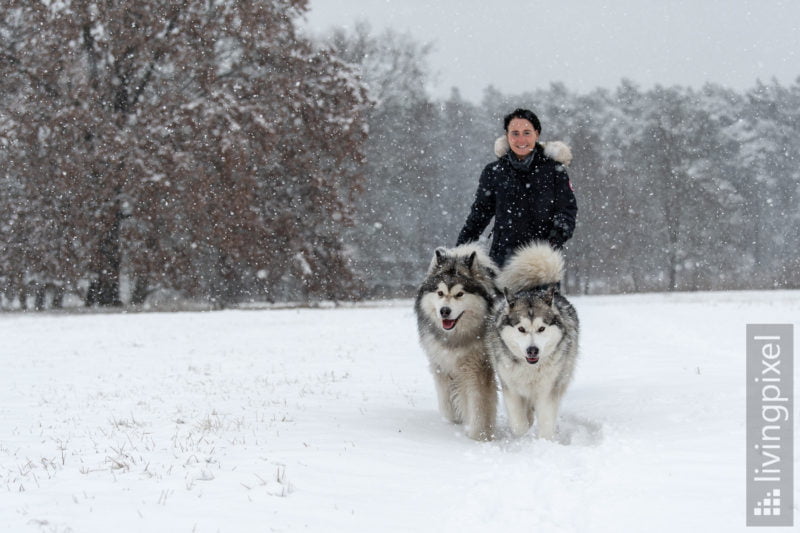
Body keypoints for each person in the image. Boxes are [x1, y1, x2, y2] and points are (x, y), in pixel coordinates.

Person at [456, 108, 577, 267]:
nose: (521, 140)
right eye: (515, 133)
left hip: (542, 264)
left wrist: (553, 241)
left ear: (537, 134)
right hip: (502, 260)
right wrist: (459, 251)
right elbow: (479, 214)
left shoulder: (555, 171)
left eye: (527, 133)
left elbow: (567, 211)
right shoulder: (494, 172)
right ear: (507, 136)